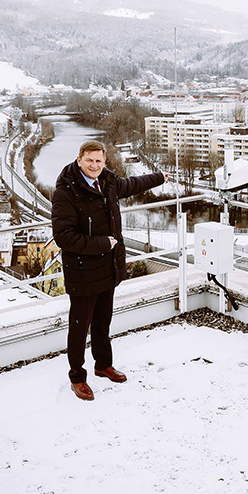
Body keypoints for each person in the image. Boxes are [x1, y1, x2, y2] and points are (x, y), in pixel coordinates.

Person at [51, 141, 167, 401]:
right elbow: (63, 236)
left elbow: (133, 184)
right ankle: (77, 378)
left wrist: (160, 177)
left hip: (108, 267)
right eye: (90, 160)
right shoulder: (66, 191)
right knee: (79, 329)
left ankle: (103, 365)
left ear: (104, 162)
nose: (95, 166)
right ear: (79, 160)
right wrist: (103, 243)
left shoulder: (108, 181)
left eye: (99, 161)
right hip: (82, 271)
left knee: (102, 322)